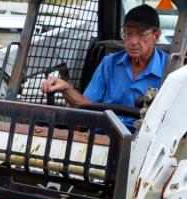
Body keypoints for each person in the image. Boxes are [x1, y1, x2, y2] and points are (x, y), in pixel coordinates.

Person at [40, 4, 167, 132]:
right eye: (128, 34)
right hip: (103, 136)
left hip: (145, 143)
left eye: (141, 35)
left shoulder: (171, 69)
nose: (133, 41)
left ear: (155, 36)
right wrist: (65, 87)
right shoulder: (109, 64)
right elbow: (86, 106)